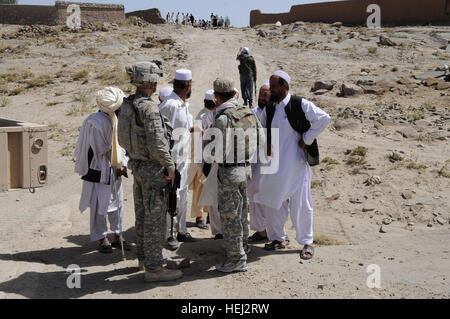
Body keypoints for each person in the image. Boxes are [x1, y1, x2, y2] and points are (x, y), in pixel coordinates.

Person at [253, 70, 331, 260]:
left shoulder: (299, 104)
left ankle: (307, 242)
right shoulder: (270, 108)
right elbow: (260, 127)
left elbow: (323, 118)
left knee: (301, 204)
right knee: (273, 202)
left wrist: (307, 138)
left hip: (296, 163)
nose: (270, 90)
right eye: (270, 86)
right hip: (274, 164)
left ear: (284, 86)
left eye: (274, 86)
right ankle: (278, 238)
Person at [118, 61, 183, 282]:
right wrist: (170, 165)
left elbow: (123, 138)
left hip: (137, 166)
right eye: (155, 78)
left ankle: (144, 259)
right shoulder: (149, 108)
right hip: (153, 169)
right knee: (155, 218)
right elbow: (157, 143)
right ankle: (155, 269)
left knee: (143, 215)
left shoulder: (129, 104)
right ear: (149, 81)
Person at [204, 78, 261, 273]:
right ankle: (242, 247)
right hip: (246, 169)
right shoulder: (248, 112)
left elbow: (211, 151)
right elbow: (260, 137)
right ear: (234, 94)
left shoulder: (222, 119)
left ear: (216, 96)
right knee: (241, 211)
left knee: (230, 216)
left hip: (229, 172)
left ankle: (236, 258)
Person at [74, 87, 131, 254]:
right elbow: (101, 148)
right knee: (99, 204)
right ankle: (102, 237)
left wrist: (122, 162)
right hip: (98, 169)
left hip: (115, 168)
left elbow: (122, 145)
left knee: (118, 203)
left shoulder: (116, 119)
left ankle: (118, 235)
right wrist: (116, 163)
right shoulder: (95, 122)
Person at [159, 69, 195, 250]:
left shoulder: (183, 104)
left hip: (184, 159)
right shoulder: (169, 105)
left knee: (183, 196)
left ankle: (181, 230)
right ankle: (169, 235)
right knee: (172, 196)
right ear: (188, 85)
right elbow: (162, 136)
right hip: (172, 161)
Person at [247, 81, 271, 243]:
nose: (262, 96)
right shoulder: (253, 112)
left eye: (266, 93)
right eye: (261, 92)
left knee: (264, 193)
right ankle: (261, 230)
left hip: (269, 160)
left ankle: (270, 230)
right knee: (252, 192)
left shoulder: (275, 112)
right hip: (254, 158)